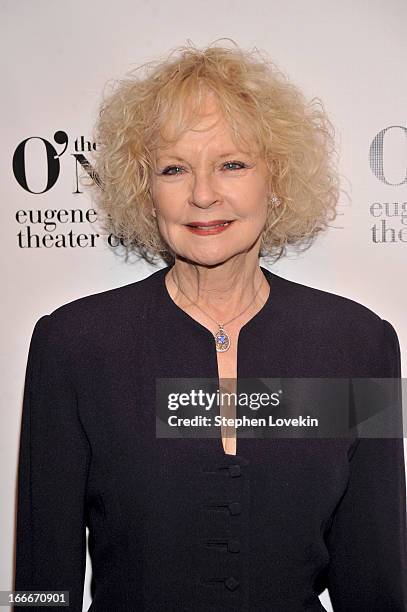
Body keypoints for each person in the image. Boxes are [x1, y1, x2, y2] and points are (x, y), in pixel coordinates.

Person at [14, 40, 407, 611]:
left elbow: (375, 582)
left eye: (232, 164)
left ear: (276, 179)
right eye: (174, 168)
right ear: (144, 190)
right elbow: (38, 588)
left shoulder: (358, 345)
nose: (202, 194)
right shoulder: (75, 346)